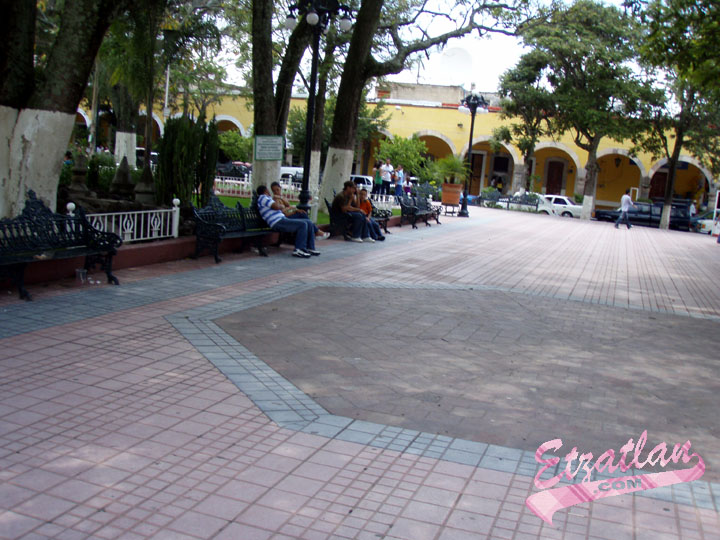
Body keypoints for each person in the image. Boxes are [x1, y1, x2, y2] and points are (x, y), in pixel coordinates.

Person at [256, 185, 320, 258]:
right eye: (268, 190)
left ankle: (310, 248)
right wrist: (281, 206)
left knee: (308, 222)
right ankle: (299, 249)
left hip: (282, 219)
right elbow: (277, 206)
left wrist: (280, 205)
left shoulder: (267, 199)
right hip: (277, 222)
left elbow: (280, 206)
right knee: (302, 224)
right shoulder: (263, 198)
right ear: (265, 191)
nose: (270, 192)